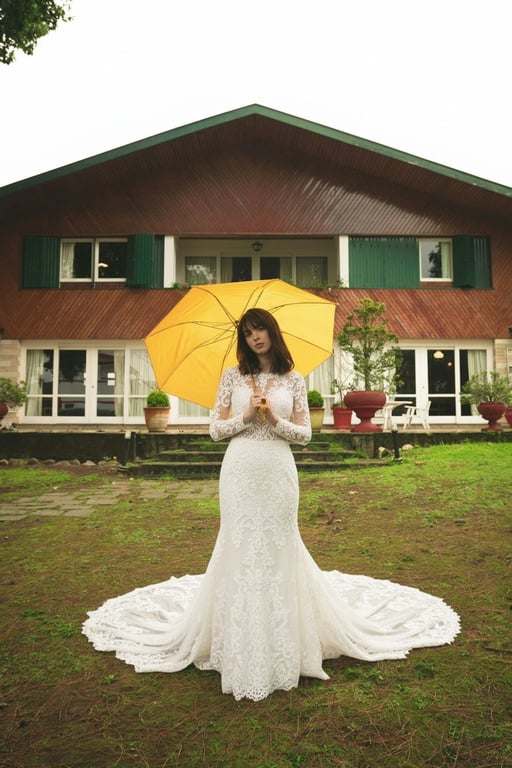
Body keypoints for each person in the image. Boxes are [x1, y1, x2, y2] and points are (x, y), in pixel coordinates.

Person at [83, 308, 460, 702]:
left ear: (272, 331)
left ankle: (285, 640)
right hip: (240, 469)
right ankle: (240, 639)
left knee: (279, 544)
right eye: (247, 333)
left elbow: (306, 435)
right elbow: (215, 430)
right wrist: (247, 416)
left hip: (278, 469)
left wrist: (275, 420)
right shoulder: (232, 376)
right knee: (240, 543)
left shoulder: (294, 380)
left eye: (259, 329)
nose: (254, 337)